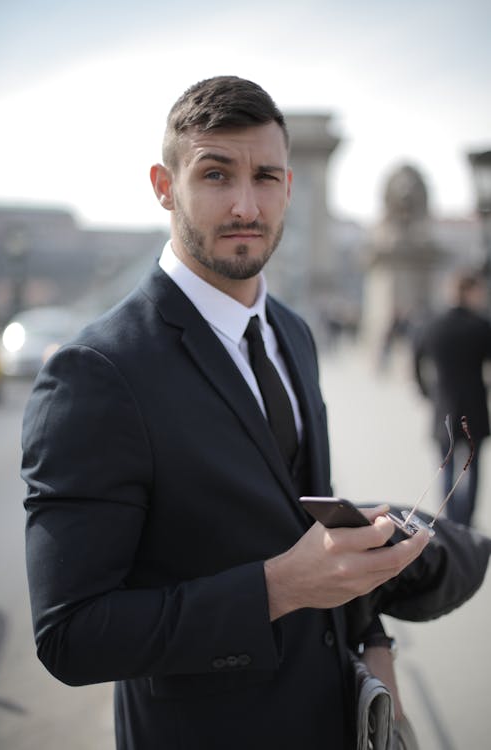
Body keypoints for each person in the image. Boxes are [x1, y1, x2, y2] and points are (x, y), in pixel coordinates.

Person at [22, 76, 430, 750]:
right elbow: (70, 636)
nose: (246, 204)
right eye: (215, 174)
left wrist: (372, 642)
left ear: (291, 189)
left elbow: (309, 517)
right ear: (163, 185)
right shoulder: (95, 374)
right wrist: (276, 588)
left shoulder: (292, 332)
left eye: (266, 177)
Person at [414, 271, 491, 526]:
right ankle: (465, 518)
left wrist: (426, 391)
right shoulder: (481, 326)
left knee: (445, 464)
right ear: (470, 292)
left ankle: (448, 517)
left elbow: (417, 360)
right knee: (472, 465)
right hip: (474, 406)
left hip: (443, 405)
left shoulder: (433, 325)